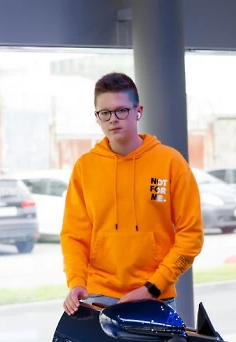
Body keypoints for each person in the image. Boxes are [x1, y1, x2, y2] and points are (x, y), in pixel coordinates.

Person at [60, 72, 204, 315]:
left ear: (138, 111)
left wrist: (154, 287)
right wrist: (76, 282)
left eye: (121, 111)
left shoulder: (171, 162)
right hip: (98, 298)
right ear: (97, 117)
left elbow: (191, 235)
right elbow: (74, 235)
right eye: (105, 113)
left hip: (156, 296)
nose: (113, 120)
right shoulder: (85, 167)